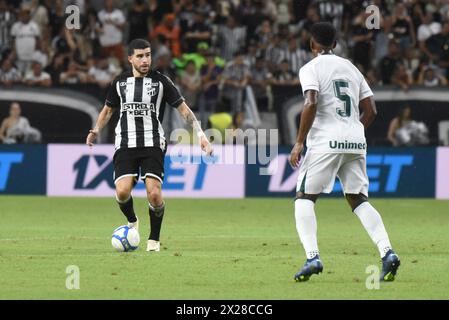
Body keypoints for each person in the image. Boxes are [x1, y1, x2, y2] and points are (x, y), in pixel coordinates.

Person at [289, 22, 400, 282]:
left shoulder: (310, 68)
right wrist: (351, 132)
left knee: (304, 197)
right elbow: (371, 110)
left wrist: (298, 142)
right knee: (358, 199)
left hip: (325, 142)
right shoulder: (352, 68)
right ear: (335, 45)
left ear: (312, 44)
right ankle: (388, 253)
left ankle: (312, 257)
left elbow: (311, 101)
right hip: (356, 140)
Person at [86, 39, 212, 252]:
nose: (145, 60)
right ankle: (133, 221)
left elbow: (184, 110)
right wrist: (96, 130)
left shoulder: (161, 82)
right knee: (123, 191)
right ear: (130, 59)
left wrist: (201, 134)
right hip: (125, 142)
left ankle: (153, 240)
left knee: (154, 194)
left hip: (153, 142)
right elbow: (108, 110)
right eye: (140, 56)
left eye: (148, 55)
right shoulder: (119, 82)